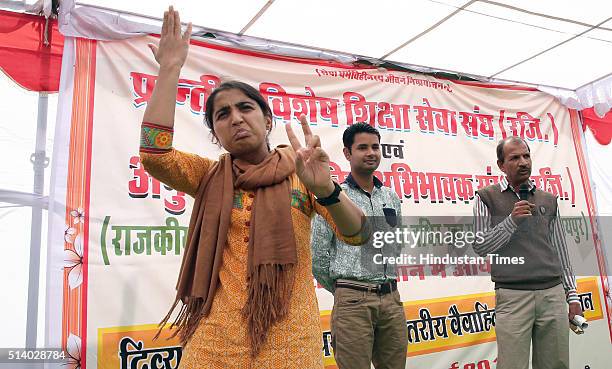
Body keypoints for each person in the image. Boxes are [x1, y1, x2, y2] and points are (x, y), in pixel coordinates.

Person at [140, 7, 369, 368]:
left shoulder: (301, 172)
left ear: (267, 119)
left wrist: (327, 189)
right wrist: (169, 70)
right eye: (222, 114)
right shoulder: (207, 176)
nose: (235, 118)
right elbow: (154, 155)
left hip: (289, 339)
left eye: (245, 107)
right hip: (215, 340)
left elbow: (357, 234)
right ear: (216, 135)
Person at [472, 136, 583, 369]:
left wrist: (572, 295)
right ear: (501, 165)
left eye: (526, 156)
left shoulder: (548, 200)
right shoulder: (486, 198)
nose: (523, 162)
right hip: (513, 297)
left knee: (556, 364)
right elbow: (481, 246)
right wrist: (511, 221)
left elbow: (561, 250)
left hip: (552, 294)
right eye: (514, 158)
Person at [311, 123, 408, 369]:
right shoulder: (333, 196)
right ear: (347, 153)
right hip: (352, 302)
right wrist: (345, 290)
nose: (371, 152)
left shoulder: (390, 196)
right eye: (362, 147)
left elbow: (396, 244)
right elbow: (318, 255)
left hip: (391, 300)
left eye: (375, 147)